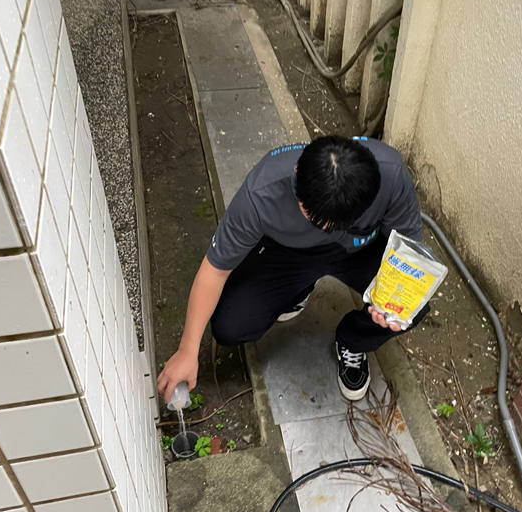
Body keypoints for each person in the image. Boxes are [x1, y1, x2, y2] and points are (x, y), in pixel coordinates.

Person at [157, 136, 429, 403]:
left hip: (358, 253)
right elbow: (215, 270)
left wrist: (390, 301)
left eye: (336, 224)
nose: (325, 230)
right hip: (289, 254)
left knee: (413, 304)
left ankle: (352, 340)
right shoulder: (260, 195)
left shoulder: (390, 173)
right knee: (230, 325)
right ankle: (298, 288)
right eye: (314, 218)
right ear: (297, 173)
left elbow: (408, 253)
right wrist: (187, 350)